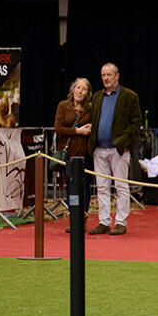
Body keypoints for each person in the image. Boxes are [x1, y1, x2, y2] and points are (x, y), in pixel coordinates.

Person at [87, 63, 143, 236]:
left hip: (119, 149)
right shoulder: (96, 97)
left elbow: (136, 123)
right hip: (99, 149)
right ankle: (104, 222)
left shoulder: (129, 96)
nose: (105, 78)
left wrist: (127, 144)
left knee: (121, 186)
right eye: (103, 75)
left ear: (117, 76)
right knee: (101, 187)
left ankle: (120, 222)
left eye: (109, 75)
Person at [54, 77, 93, 233]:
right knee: (71, 187)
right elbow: (58, 128)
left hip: (86, 154)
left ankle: (82, 219)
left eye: (83, 89)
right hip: (69, 154)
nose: (80, 91)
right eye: (78, 87)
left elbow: (94, 126)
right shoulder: (63, 106)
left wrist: (90, 129)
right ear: (73, 89)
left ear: (87, 93)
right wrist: (78, 131)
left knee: (85, 187)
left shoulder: (90, 108)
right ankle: (73, 219)